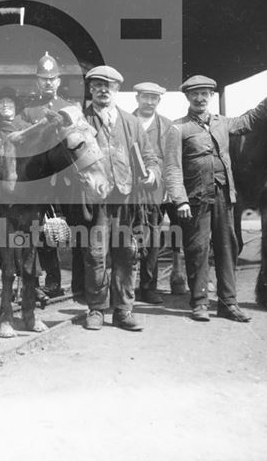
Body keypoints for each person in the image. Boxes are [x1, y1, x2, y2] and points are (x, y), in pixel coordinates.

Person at [174, 75, 267, 323]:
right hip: (195, 197)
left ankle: (228, 304)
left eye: (205, 94)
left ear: (211, 97)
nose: (200, 98)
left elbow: (251, 120)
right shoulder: (177, 128)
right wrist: (179, 199)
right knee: (198, 248)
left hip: (223, 194)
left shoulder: (223, 123)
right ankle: (199, 303)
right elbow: (172, 167)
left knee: (227, 247)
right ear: (187, 98)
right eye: (195, 94)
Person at [81, 65, 159, 331]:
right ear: (91, 89)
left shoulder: (131, 122)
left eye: (110, 86)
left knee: (127, 252)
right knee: (96, 255)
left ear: (117, 90)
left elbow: (149, 157)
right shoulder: (82, 120)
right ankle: (97, 309)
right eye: (98, 86)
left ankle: (124, 310)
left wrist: (151, 172)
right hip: (96, 200)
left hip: (127, 198)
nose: (104, 90)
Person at [20, 52, 77, 297]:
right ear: (37, 81)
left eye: (52, 78)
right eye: (43, 79)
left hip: (66, 179)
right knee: (42, 230)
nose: (48, 83)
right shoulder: (28, 111)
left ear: (59, 80)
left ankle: (79, 282)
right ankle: (50, 281)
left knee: (74, 228)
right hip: (39, 180)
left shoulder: (70, 108)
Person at [131, 82, 189, 304]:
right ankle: (122, 287)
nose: (149, 102)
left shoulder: (167, 126)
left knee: (152, 239)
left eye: (153, 98)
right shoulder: (126, 121)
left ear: (159, 101)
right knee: (125, 237)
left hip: (156, 191)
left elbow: (172, 161)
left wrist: (167, 190)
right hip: (129, 191)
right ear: (137, 98)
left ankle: (148, 287)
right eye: (145, 97)